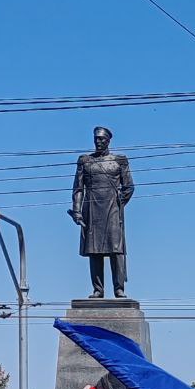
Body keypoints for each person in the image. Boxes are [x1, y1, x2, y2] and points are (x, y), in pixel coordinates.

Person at [69, 126, 135, 298]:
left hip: (112, 208)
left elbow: (129, 186)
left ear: (108, 141)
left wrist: (120, 201)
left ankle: (118, 288)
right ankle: (98, 289)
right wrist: (77, 211)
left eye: (102, 139)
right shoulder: (85, 161)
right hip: (91, 208)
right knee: (94, 250)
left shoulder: (119, 160)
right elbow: (78, 188)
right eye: (96, 139)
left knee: (116, 249)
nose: (98, 142)